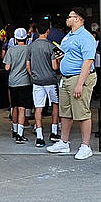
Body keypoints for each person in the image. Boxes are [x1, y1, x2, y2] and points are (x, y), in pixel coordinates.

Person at [47, 7, 97, 159]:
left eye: (70, 17)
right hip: (67, 78)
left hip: (78, 77)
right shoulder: (68, 36)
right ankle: (64, 142)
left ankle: (86, 146)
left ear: (78, 19)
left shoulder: (86, 37)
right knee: (66, 113)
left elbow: (88, 61)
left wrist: (80, 83)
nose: (67, 19)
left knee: (81, 112)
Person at [28, 19, 61, 147]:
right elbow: (54, 67)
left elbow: (28, 65)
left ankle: (40, 136)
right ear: (48, 31)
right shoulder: (51, 46)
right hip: (51, 81)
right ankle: (53, 132)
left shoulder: (31, 46)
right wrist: (59, 61)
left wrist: (33, 75)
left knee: (38, 108)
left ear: (37, 30)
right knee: (55, 105)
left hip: (37, 82)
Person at [4, 27, 33, 143]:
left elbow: (7, 67)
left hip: (13, 82)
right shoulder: (29, 49)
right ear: (26, 38)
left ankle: (15, 129)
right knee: (22, 108)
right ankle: (20, 134)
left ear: (15, 39)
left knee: (14, 107)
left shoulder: (11, 50)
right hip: (25, 82)